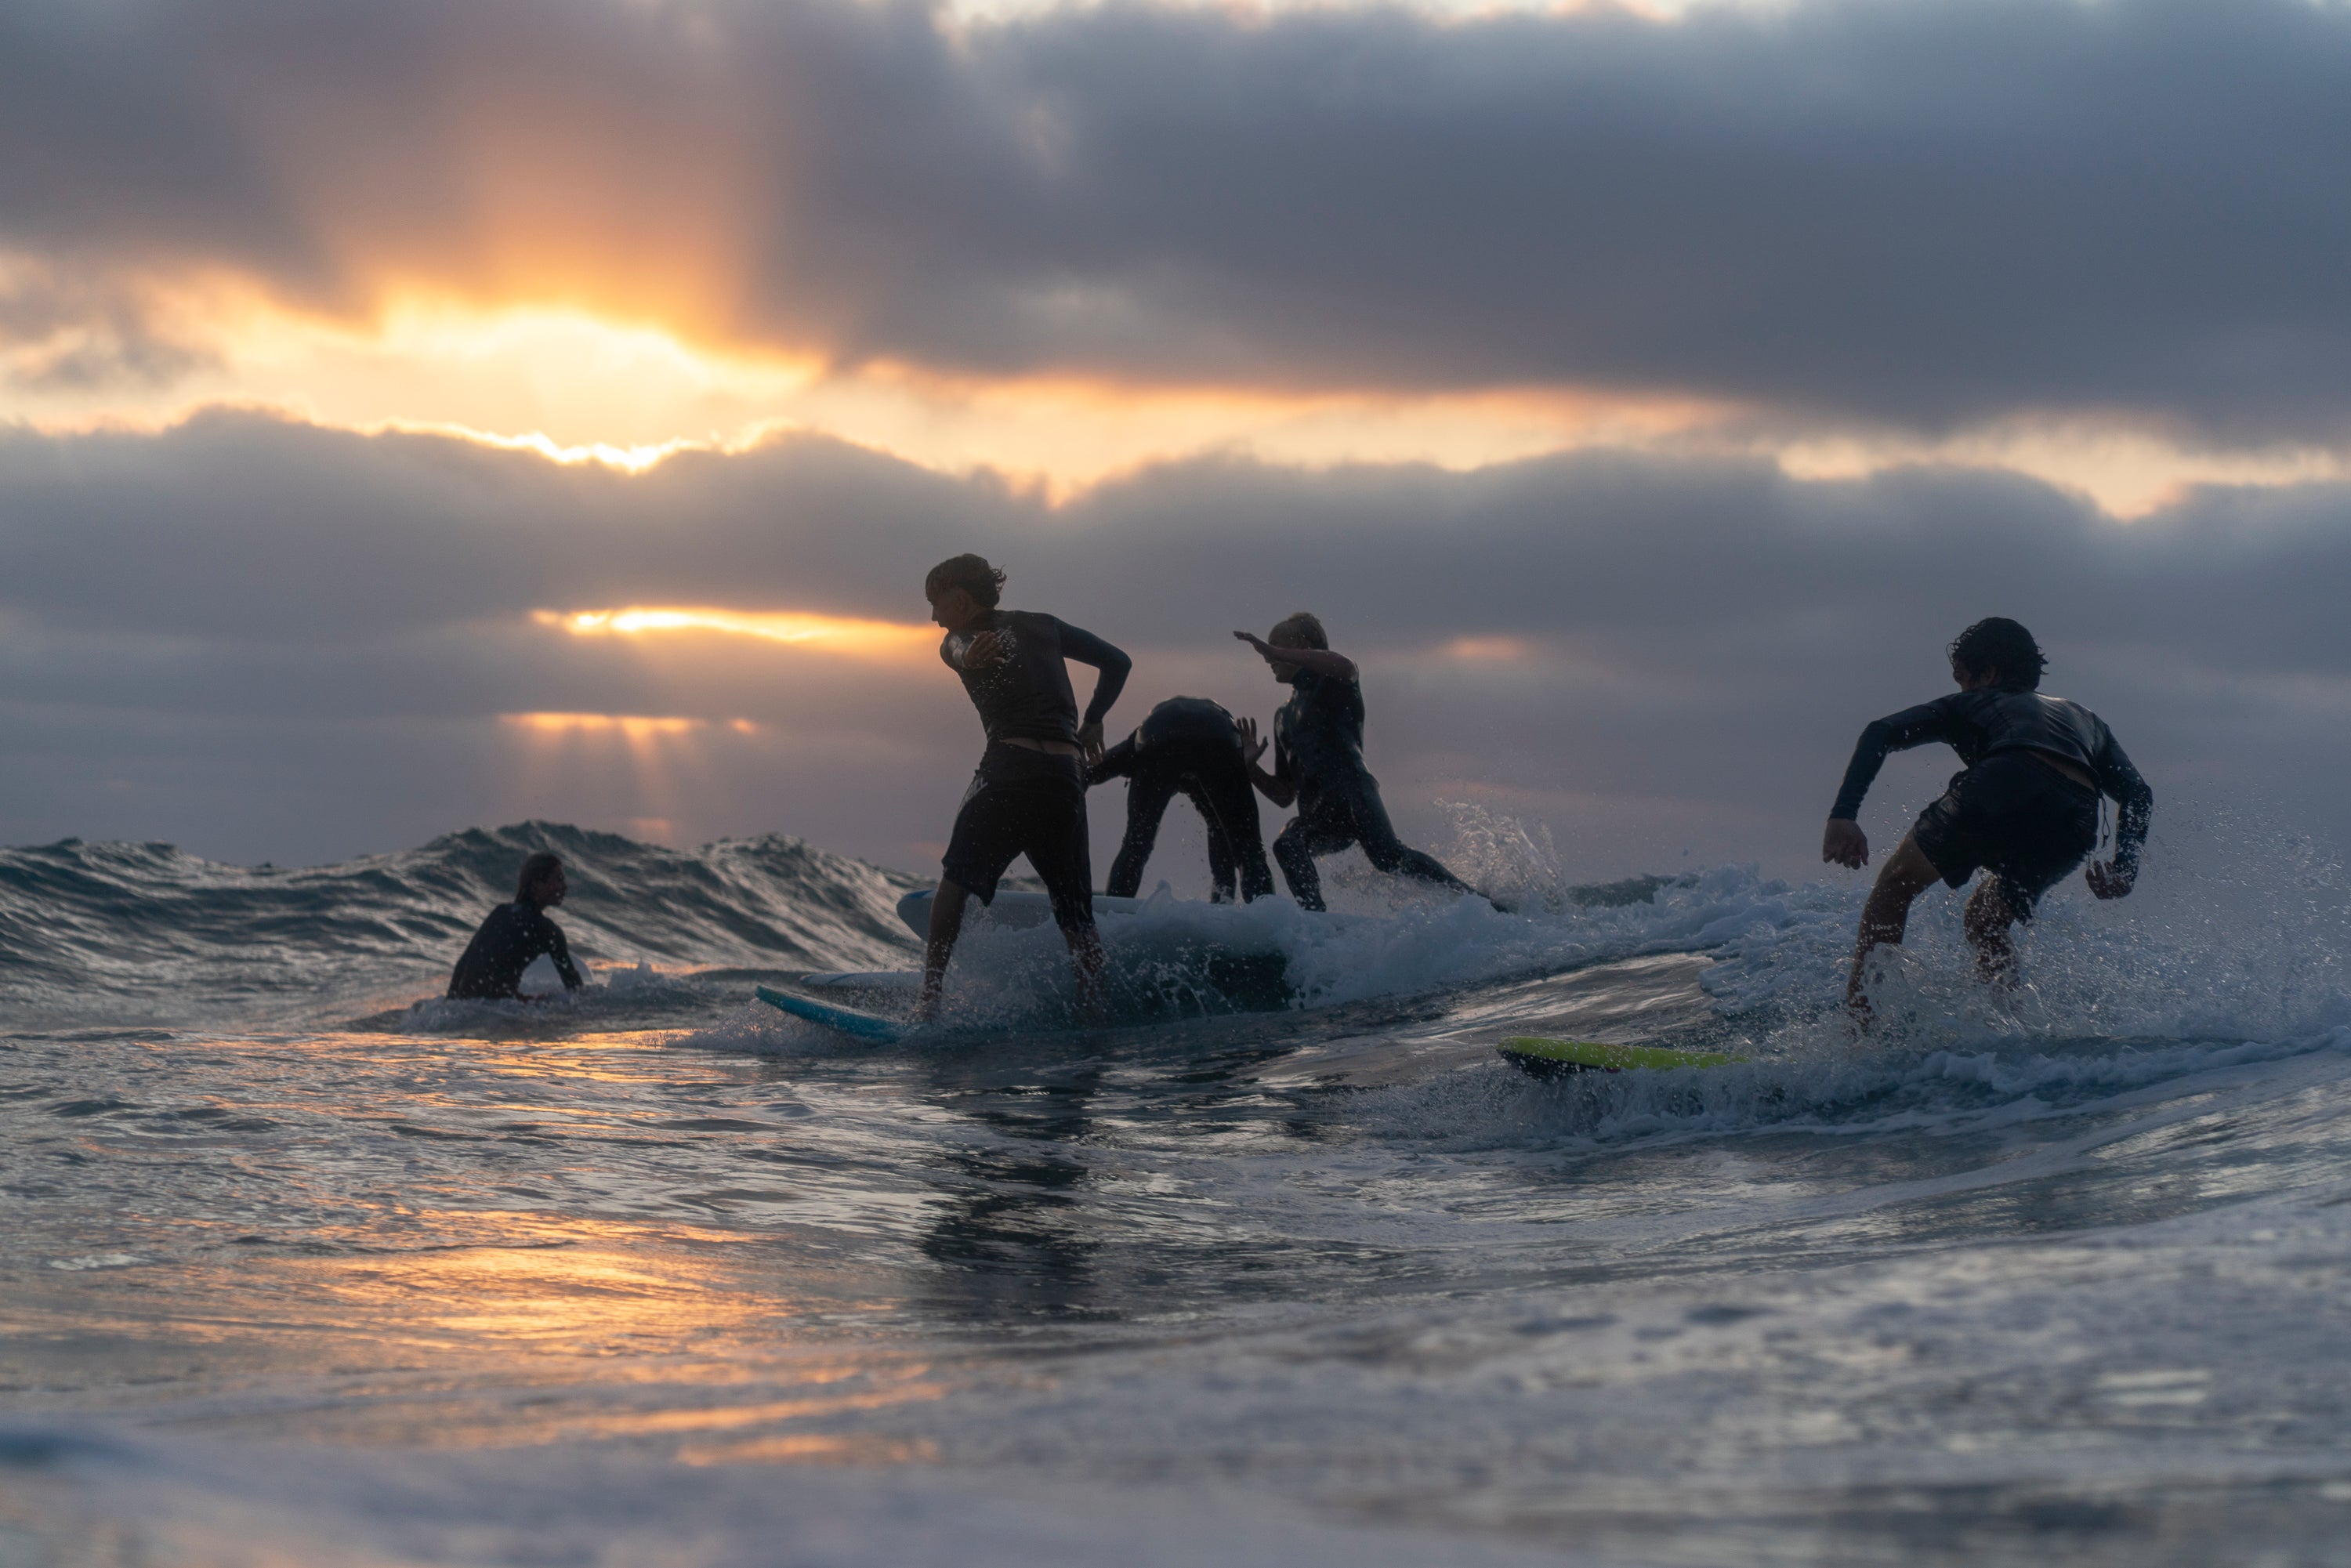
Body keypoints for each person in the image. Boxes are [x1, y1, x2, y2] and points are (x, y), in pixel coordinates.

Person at [1824, 617, 2153, 1019]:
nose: (1959, 687)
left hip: (2005, 779)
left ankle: (1862, 1033)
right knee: (1986, 920)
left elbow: (1880, 731)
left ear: (1990, 673)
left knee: (1895, 886)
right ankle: (2007, 1027)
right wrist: (2125, 868)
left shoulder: (1974, 702)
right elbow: (2138, 793)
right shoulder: (2086, 719)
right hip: (2075, 816)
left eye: (1962, 676)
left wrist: (1844, 814)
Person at [917, 553, 1132, 1022]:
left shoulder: (960, 638)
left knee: (955, 882)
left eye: (936, 605)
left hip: (1010, 768)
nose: (934, 619)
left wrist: (967, 653)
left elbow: (957, 649)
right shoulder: (1044, 625)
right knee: (1076, 911)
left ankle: (928, 1001)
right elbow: (1118, 661)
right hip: (1066, 777)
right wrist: (1093, 720)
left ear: (959, 600)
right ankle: (1093, 1007)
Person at [1233, 613, 1481, 912]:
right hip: (1319, 812)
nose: (1267, 656)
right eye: (1269, 649)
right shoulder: (1282, 717)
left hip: (1353, 793)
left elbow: (1345, 665)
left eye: (1275, 647)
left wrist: (1277, 651)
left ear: (1304, 646)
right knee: (1288, 844)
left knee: (1388, 857)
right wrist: (1250, 769)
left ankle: (1481, 904)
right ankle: (1315, 921)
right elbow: (1285, 795)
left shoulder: (1335, 683)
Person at [1089, 696, 1277, 904]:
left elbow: (1090, 771)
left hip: (1160, 735)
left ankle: (1112, 915)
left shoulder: (1138, 751)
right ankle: (1245, 917)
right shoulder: (1214, 778)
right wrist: (1239, 766)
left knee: (1136, 845)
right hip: (1219, 737)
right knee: (1249, 853)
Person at [447, 852, 584, 1001]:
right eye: (558, 879)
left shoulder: (500, 912)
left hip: (462, 1001)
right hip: (492, 1009)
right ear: (536, 884)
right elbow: (575, 990)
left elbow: (463, 966)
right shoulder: (548, 930)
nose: (564, 886)